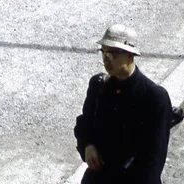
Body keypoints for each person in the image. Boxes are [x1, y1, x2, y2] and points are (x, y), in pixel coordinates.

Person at [73, 24, 172, 184]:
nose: (106, 59)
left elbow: (153, 160)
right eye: (103, 52)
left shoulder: (154, 97)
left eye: (113, 53)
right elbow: (85, 122)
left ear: (130, 56)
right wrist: (88, 145)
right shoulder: (98, 85)